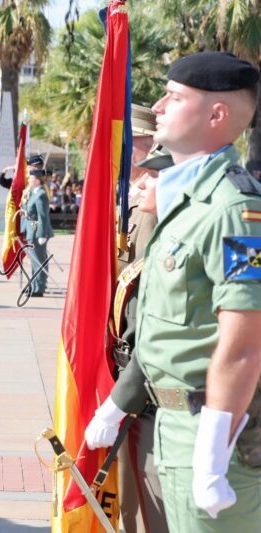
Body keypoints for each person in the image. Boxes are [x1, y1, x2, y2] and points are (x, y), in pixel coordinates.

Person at [108, 52, 261, 532]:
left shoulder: (234, 209)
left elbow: (244, 342)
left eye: (174, 98)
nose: (157, 107)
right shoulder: (189, 204)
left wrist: (212, 453)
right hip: (173, 424)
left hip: (215, 431)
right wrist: (116, 405)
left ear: (216, 115)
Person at [85, 145, 173, 533]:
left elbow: (157, 337)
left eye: (154, 175)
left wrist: (119, 402)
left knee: (155, 513)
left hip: (160, 399)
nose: (143, 182)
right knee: (135, 511)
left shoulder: (168, 244)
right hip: (137, 387)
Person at [21, 169, 52, 297]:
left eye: (31, 178)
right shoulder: (34, 193)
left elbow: (42, 217)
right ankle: (34, 285)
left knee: (39, 260)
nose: (29, 180)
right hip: (32, 229)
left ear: (37, 180)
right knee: (34, 260)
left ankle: (39, 288)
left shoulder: (41, 195)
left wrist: (42, 234)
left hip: (37, 231)